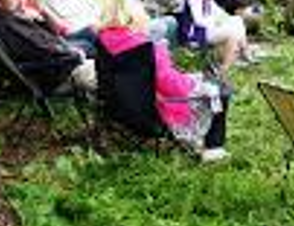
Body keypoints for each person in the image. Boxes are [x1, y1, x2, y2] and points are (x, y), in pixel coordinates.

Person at [98, 23, 231, 161]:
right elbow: (174, 87)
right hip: (156, 115)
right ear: (134, 21)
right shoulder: (147, 47)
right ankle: (213, 149)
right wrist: (194, 82)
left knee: (204, 84)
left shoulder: (104, 41)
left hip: (119, 111)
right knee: (219, 91)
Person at [0, 0, 96, 92]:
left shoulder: (14, 18)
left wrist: (38, 20)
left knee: (98, 49)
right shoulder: (11, 25)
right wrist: (73, 53)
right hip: (56, 73)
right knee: (105, 64)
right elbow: (43, 50)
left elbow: (48, 39)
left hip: (56, 63)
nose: (21, 2)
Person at [181, 0, 249, 72]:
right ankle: (224, 68)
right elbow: (199, 21)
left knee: (237, 20)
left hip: (208, 29)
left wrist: (227, 18)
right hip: (197, 33)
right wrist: (217, 22)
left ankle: (244, 52)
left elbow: (218, 11)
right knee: (232, 34)